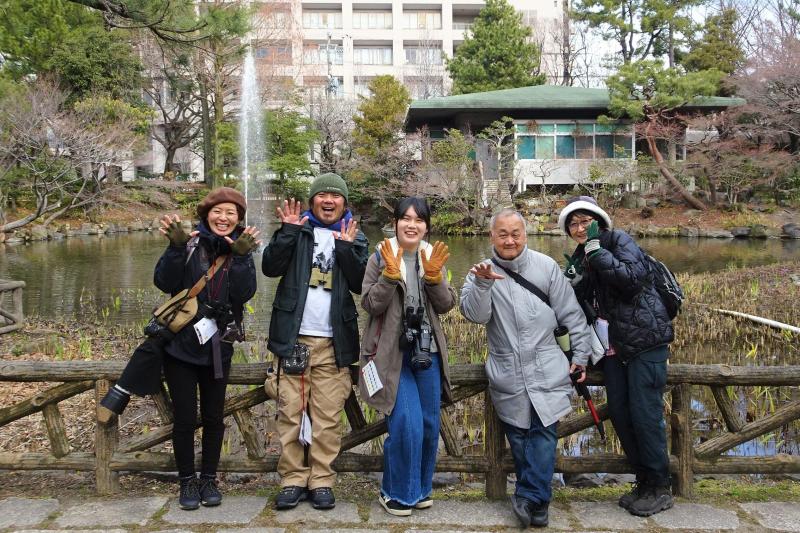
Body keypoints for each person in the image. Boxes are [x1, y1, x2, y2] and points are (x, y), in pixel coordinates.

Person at [460, 208, 593, 528]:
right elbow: (474, 315)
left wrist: (581, 356)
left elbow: (572, 315)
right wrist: (481, 286)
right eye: (502, 234)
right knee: (519, 435)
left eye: (515, 233)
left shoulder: (545, 267)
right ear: (491, 236)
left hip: (547, 363)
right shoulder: (480, 272)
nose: (509, 240)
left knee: (544, 432)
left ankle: (530, 496)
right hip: (508, 367)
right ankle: (535, 499)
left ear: (525, 235)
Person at [558, 196, 674, 517]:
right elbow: (572, 301)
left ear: (599, 221)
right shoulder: (580, 257)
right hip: (612, 350)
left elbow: (632, 280)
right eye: (574, 224)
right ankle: (643, 481)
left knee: (645, 414)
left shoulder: (618, 241)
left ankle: (660, 486)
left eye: (585, 221)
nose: (580, 228)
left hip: (643, 342)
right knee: (622, 413)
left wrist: (598, 253)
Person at [262, 173, 369, 511]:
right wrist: (287, 232)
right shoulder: (298, 230)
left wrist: (346, 249)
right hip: (293, 338)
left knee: (327, 418)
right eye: (321, 194)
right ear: (311, 201)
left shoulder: (353, 235)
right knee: (289, 413)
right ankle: (293, 478)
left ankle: (321, 479)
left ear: (344, 203)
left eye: (335, 196)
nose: (328, 200)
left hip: (334, 342)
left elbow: (360, 283)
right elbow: (269, 266)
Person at [153, 187, 260, 510]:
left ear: (239, 219)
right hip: (180, 347)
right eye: (218, 211)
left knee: (214, 417)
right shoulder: (188, 245)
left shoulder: (240, 248)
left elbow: (244, 294)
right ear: (206, 214)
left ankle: (209, 478)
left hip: (218, 345)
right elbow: (164, 282)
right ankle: (187, 481)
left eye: (231, 213)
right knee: (185, 418)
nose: (223, 218)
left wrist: (241, 258)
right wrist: (174, 248)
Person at [358, 197, 457, 517]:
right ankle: (396, 492)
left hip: (426, 350)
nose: (411, 224)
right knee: (406, 422)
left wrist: (435, 278)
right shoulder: (381, 254)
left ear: (427, 226)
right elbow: (370, 304)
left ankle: (420, 489)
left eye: (419, 219)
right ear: (396, 221)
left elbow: (446, 304)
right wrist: (388, 276)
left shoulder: (433, 256)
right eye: (405, 218)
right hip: (389, 354)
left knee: (429, 424)